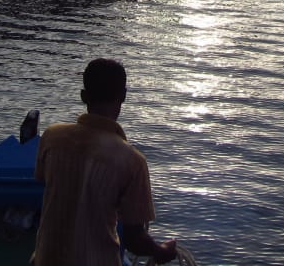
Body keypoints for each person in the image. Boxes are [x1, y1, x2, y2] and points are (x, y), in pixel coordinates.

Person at [33, 59, 177, 266]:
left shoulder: (51, 137)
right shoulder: (132, 161)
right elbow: (135, 241)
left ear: (84, 96)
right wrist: (162, 250)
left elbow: (42, 179)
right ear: (123, 96)